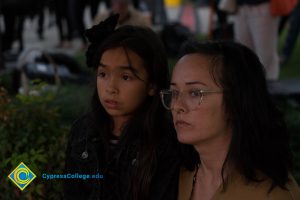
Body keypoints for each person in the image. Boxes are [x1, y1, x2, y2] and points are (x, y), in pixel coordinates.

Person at [160, 40, 300, 200]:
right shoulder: (173, 176)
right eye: (174, 92)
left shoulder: (272, 195)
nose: (177, 106)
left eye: (195, 93)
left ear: (236, 101)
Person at [64, 14, 180, 200]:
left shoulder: (164, 142)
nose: (110, 88)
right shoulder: (83, 132)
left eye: (126, 77)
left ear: (152, 85)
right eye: (103, 74)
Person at [234, 0, 280, 80]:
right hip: (240, 8)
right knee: (243, 53)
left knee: (265, 54)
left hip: (263, 6)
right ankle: (249, 86)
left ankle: (269, 86)